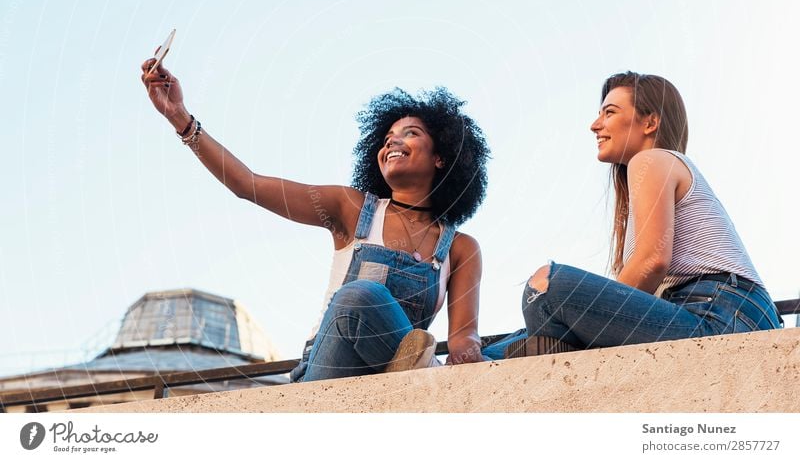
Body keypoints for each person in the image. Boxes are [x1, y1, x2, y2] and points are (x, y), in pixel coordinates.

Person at [140, 56, 490, 381]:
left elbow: (463, 337)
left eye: (410, 133)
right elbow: (247, 184)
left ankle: (420, 372)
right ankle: (423, 372)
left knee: (513, 343)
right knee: (360, 297)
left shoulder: (460, 248)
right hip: (331, 369)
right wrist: (180, 117)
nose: (392, 142)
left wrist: (471, 355)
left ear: (442, 157)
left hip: (392, 380)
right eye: (387, 138)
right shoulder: (350, 208)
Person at [484, 71, 781, 360]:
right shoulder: (649, 172)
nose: (594, 125)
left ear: (650, 122)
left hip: (722, 317)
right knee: (497, 353)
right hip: (711, 314)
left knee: (547, 288)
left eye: (609, 113)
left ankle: (573, 352)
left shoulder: (652, 160)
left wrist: (589, 319)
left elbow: (653, 261)